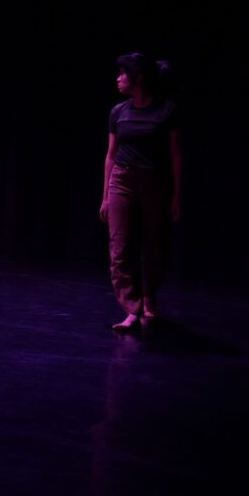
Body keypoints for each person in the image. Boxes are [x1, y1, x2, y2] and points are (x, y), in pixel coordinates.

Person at [99, 52, 182, 331]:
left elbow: (175, 155)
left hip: (155, 182)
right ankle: (132, 309)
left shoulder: (166, 110)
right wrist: (105, 196)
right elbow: (111, 155)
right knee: (119, 248)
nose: (118, 78)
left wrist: (176, 195)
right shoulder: (118, 112)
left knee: (153, 246)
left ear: (140, 78)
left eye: (124, 73)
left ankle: (149, 297)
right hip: (122, 180)